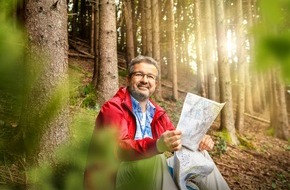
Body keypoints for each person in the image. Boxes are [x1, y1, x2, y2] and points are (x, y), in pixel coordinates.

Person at [84, 55, 230, 190]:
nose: (145, 80)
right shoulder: (114, 107)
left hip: (147, 176)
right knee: (154, 156)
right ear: (128, 80)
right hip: (113, 178)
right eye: (139, 74)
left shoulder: (157, 112)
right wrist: (156, 145)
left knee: (200, 154)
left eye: (150, 76)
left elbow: (178, 142)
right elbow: (118, 149)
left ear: (155, 83)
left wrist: (198, 141)